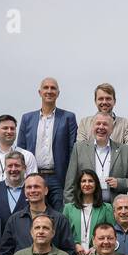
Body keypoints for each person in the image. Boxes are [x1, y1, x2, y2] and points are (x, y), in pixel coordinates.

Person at [18, 77, 78, 210]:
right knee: (33, 214)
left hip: (58, 177)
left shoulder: (68, 118)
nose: (49, 91)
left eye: (53, 88)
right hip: (33, 175)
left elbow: (72, 150)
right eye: (46, 88)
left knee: (59, 215)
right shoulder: (27, 118)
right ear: (39, 92)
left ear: (58, 93)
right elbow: (21, 151)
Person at [65, 112, 128, 205]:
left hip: (114, 209)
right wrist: (70, 209)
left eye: (105, 124)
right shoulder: (79, 149)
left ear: (112, 129)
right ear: (92, 127)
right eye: (98, 123)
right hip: (86, 207)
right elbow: (70, 184)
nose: (101, 127)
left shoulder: (125, 150)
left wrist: (119, 183)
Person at [3, 173, 74, 255]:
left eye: (36, 187)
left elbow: (68, 251)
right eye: (29, 187)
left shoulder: (60, 219)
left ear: (46, 190)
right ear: (24, 191)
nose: (32, 190)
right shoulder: (14, 220)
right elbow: (5, 252)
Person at [0, 152, 29, 255]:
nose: (13, 169)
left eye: (17, 165)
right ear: (5, 168)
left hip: (25, 249)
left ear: (24, 167)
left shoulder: (33, 190)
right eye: (9, 166)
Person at [64, 168, 115, 255]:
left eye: (90, 181)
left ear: (96, 184)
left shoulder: (106, 208)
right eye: (83, 181)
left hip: (99, 254)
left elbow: (112, 233)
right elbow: (65, 233)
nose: (87, 184)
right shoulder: (68, 208)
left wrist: (96, 247)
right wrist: (75, 244)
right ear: (79, 184)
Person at [78, 81, 128, 147]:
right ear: (95, 101)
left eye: (108, 98)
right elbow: (80, 149)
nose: (104, 102)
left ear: (114, 101)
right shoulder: (84, 123)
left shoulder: (124, 124)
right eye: (101, 99)